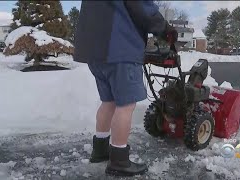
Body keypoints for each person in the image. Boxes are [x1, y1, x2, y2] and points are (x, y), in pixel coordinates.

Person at [73, 1, 178, 177]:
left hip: (95, 53)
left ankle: (100, 151)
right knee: (126, 106)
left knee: (108, 102)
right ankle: (119, 160)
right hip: (120, 49)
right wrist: (166, 29)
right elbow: (143, 8)